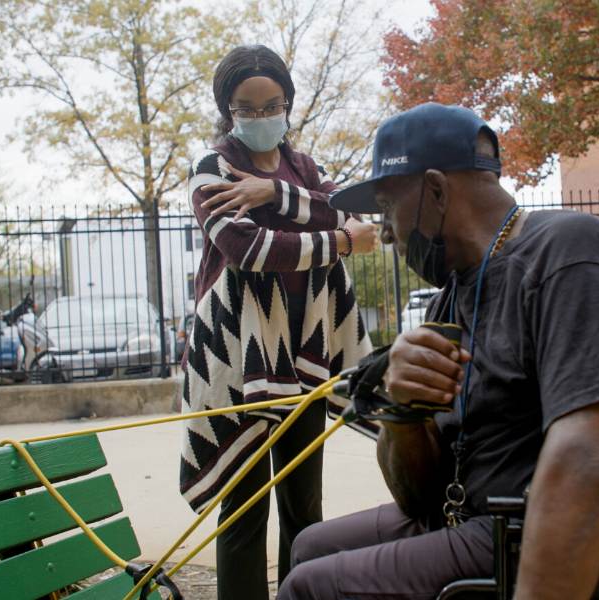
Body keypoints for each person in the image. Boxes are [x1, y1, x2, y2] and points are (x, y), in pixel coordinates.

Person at [276, 103, 599, 600]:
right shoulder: (454, 293)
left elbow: (589, 456)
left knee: (309, 588)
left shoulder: (567, 254)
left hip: (560, 531)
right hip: (479, 517)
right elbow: (416, 496)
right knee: (310, 547)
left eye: (388, 207)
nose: (383, 232)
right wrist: (402, 410)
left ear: (437, 191)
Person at [179, 45, 377, 600]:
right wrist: (337, 241)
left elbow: (352, 207)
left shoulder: (303, 167)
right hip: (238, 359)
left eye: (273, 105)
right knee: (242, 514)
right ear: (227, 108)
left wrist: (272, 192)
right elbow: (246, 248)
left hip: (305, 352)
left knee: (304, 508)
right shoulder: (210, 169)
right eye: (247, 107)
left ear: (287, 103)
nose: (262, 117)